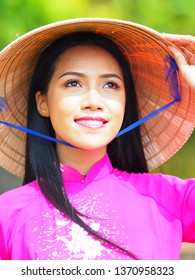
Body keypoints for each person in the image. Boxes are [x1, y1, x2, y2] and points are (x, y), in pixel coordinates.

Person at [0, 18, 194, 260]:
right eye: (73, 83)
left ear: (125, 102)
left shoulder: (172, 199)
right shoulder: (7, 214)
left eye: (110, 85)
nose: (94, 101)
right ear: (43, 102)